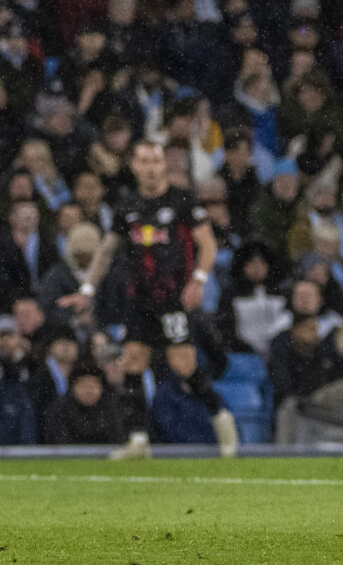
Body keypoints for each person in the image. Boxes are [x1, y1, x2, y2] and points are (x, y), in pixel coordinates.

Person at [59, 141, 238, 458]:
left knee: (183, 365)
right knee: (132, 362)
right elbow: (106, 250)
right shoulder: (128, 206)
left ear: (163, 165)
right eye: (145, 161)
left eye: (156, 160)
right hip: (139, 301)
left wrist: (198, 280)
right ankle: (138, 440)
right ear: (135, 167)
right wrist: (86, 290)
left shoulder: (182, 201)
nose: (152, 167)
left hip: (173, 299)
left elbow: (207, 245)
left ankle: (221, 417)